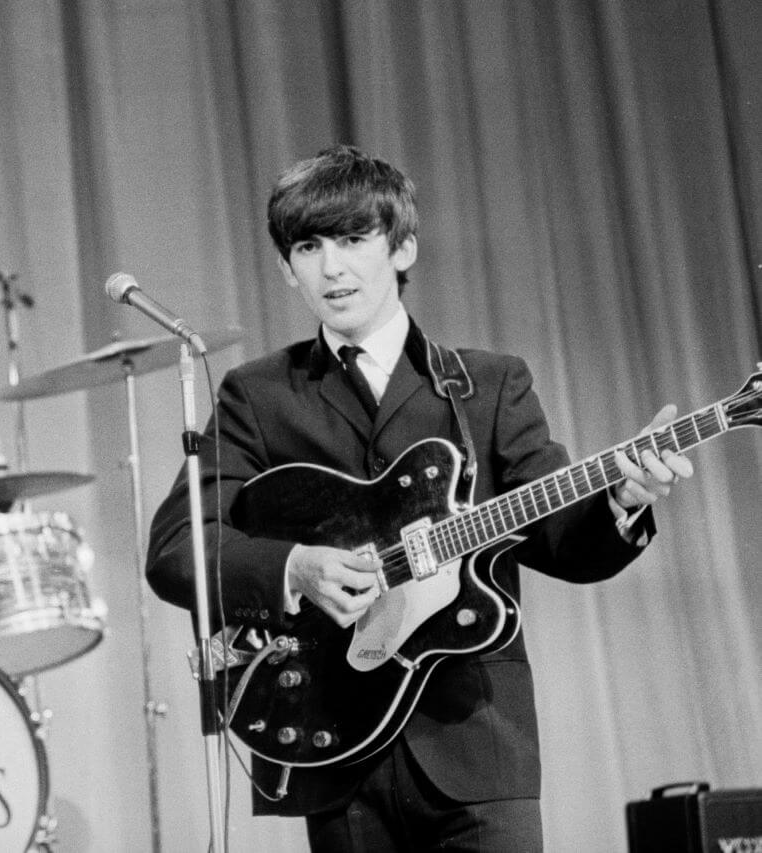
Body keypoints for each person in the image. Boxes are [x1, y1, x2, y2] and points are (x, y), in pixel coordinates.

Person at [144, 144, 693, 851]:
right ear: (286, 268)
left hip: (477, 749)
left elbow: (562, 542)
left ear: (402, 248)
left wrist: (623, 498)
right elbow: (175, 548)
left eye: (353, 239)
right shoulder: (258, 394)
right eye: (309, 246)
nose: (332, 267)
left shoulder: (489, 384)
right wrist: (294, 567)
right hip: (333, 746)